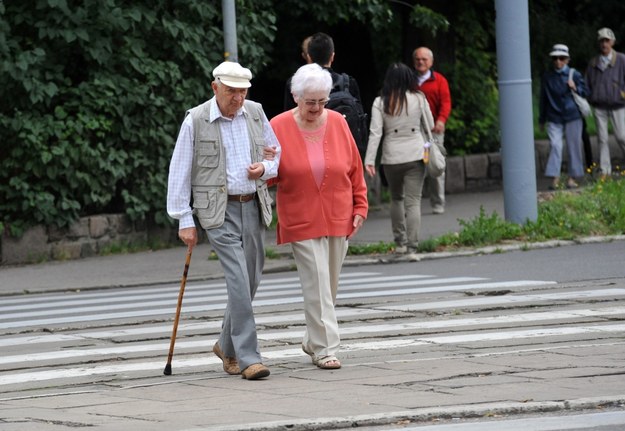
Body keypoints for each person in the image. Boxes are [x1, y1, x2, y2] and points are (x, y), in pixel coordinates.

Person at [166, 61, 281, 380]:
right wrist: (183, 219)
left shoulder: (256, 112)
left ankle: (225, 345)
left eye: (243, 92)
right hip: (217, 210)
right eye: (232, 91)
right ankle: (248, 357)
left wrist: (265, 169)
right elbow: (180, 170)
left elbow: (275, 152)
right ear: (215, 87)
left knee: (251, 280)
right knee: (238, 280)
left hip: (253, 206)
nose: (238, 99)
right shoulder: (197, 119)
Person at [269, 63, 368, 370]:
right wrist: (264, 168)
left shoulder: (338, 122)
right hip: (300, 215)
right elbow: (269, 174)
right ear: (296, 96)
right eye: (310, 101)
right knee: (317, 284)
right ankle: (326, 349)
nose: (316, 108)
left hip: (339, 213)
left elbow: (353, 167)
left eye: (321, 101)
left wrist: (360, 205)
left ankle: (312, 340)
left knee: (330, 286)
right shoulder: (278, 125)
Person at [364, 62, 433, 254]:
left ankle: (400, 243)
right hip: (416, 155)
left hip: (391, 157)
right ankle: (413, 246)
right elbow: (431, 123)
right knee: (413, 201)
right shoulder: (419, 98)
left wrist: (370, 160)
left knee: (396, 199)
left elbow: (375, 132)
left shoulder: (380, 102)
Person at [539, 44, 586, 189]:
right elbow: (543, 98)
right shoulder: (547, 77)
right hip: (554, 116)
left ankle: (572, 178)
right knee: (555, 145)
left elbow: (586, 92)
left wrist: (575, 87)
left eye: (562, 58)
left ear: (567, 59)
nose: (558, 61)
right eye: (555, 58)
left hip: (572, 115)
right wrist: (541, 119)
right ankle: (555, 178)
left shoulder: (574, 74)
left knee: (574, 146)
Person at [412, 47, 452, 215]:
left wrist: (441, 121)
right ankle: (413, 205)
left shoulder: (440, 81)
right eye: (418, 59)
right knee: (414, 167)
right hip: (414, 132)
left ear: (431, 62)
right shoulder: (409, 80)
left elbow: (446, 103)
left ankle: (437, 202)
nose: (421, 62)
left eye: (424, 59)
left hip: (433, 132)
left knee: (434, 165)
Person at [585, 27, 625, 178]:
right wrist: (590, 97)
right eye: (601, 41)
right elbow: (586, 83)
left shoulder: (621, 59)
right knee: (602, 139)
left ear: (613, 42)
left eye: (607, 40)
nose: (604, 44)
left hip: (618, 104)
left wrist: (623, 94)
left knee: (621, 136)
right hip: (599, 106)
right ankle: (605, 170)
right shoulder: (593, 62)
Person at [283, 35, 312, 111]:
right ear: (332, 56)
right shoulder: (343, 81)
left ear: (305, 56)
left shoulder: (294, 81)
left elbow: (289, 112)